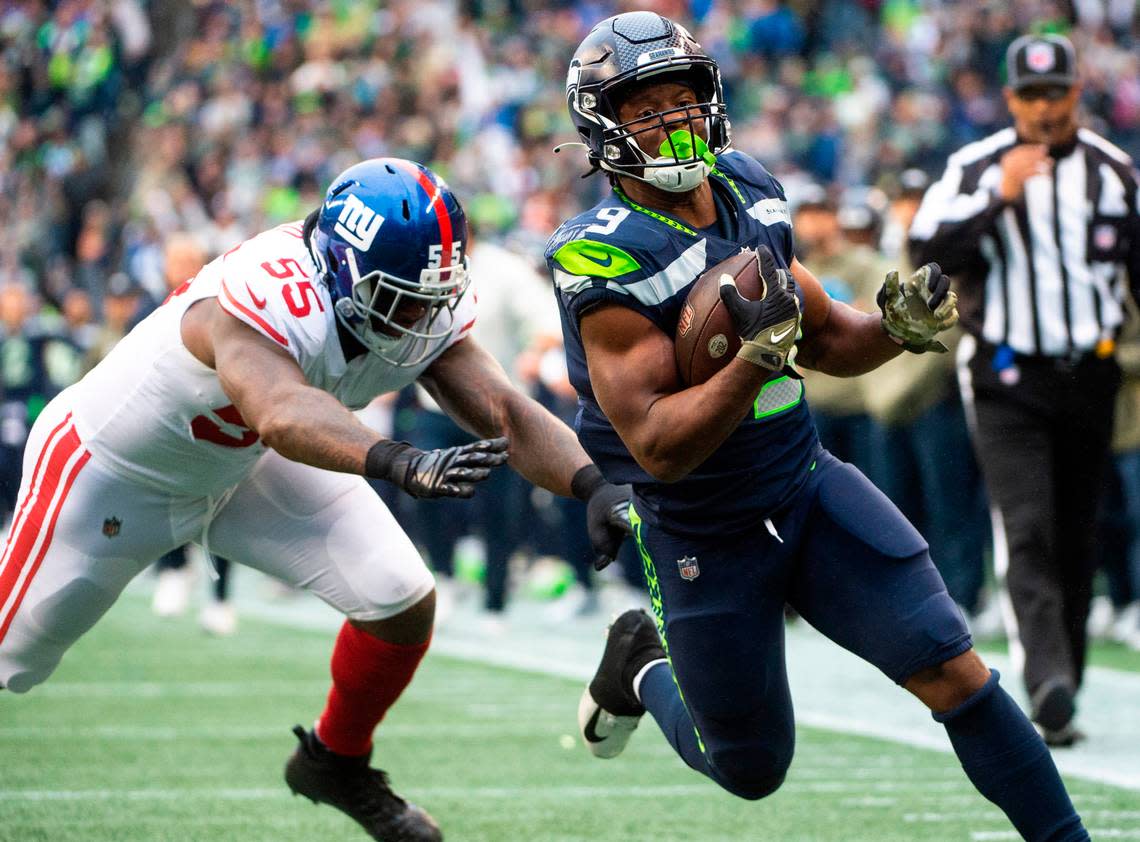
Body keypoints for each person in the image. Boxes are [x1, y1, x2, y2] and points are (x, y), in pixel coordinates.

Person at [549, 12, 1089, 841]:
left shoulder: (747, 190)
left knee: (954, 669)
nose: (673, 120)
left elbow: (830, 336)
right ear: (603, 127)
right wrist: (753, 364)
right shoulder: (601, 254)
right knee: (752, 768)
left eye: (682, 98)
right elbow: (658, 443)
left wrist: (895, 332)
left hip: (805, 484)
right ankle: (640, 667)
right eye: (643, 107)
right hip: (704, 528)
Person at [0, 157, 632, 842]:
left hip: (239, 466)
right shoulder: (262, 291)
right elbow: (279, 410)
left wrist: (591, 483)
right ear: (340, 269)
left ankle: (334, 760)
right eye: (404, 298)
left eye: (433, 295)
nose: (424, 316)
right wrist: (401, 462)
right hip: (112, 471)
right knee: (13, 656)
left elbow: (504, 407)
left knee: (398, 594)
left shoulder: (400, 300)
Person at [909, 33, 1140, 746]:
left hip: (1092, 370)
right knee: (1028, 525)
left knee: (1078, 529)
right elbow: (924, 254)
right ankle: (1045, 681)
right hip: (1007, 374)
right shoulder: (974, 166)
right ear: (1010, 99)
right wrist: (996, 199)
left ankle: (1061, 675)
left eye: (1056, 92)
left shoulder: (1114, 171)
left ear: (1076, 93)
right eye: (1031, 95)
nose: (1044, 107)